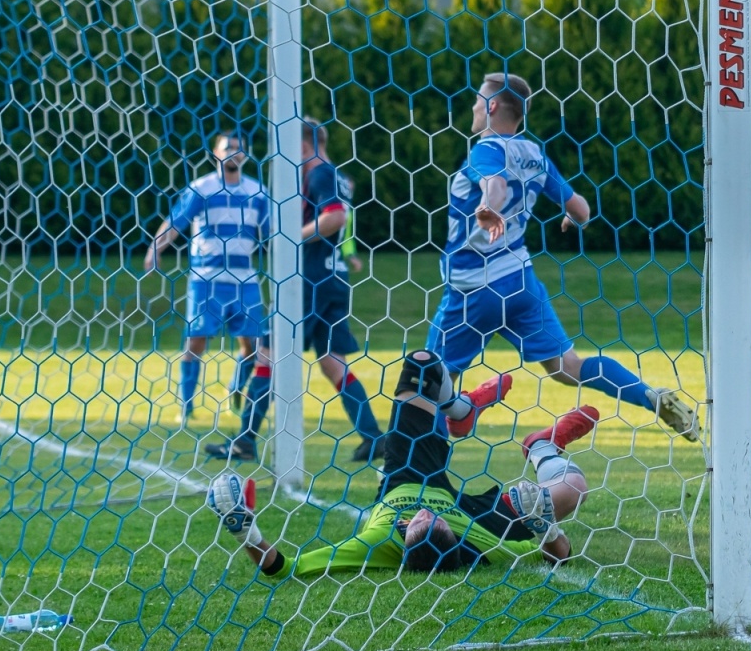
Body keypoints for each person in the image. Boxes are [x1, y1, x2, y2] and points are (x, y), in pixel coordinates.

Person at [426, 72, 698, 442]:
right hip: (520, 282)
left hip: (474, 289)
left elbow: (497, 184)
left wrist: (489, 209)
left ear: (491, 106)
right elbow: (582, 209)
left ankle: (409, 475)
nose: (473, 106)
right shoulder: (535, 154)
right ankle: (650, 395)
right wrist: (570, 217)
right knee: (568, 367)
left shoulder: (486, 149)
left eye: (477, 99)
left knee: (428, 381)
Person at [207, 350, 598, 577]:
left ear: (405, 532)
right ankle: (544, 446)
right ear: (448, 531)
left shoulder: (378, 544)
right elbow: (559, 558)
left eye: (417, 521)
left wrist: (246, 533)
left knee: (422, 364)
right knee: (574, 490)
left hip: (406, 476)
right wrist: (544, 527)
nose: (425, 512)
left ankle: (461, 409)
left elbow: (284, 569)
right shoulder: (476, 547)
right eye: (433, 519)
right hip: (477, 518)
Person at [143, 132, 272, 459]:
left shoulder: (258, 191)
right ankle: (185, 407)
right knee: (196, 341)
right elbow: (176, 221)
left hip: (245, 280)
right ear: (215, 153)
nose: (234, 152)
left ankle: (235, 389)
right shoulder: (201, 188)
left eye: (239, 148)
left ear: (246, 154)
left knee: (254, 346)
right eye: (228, 147)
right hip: (206, 279)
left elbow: (274, 234)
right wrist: (156, 248)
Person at [297, 117, 385, 462]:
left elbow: (335, 218)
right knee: (333, 363)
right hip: (334, 277)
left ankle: (244, 440)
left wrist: (292, 237)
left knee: (268, 352)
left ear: (303, 145)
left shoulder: (318, 173)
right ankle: (373, 436)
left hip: (312, 277)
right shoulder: (340, 176)